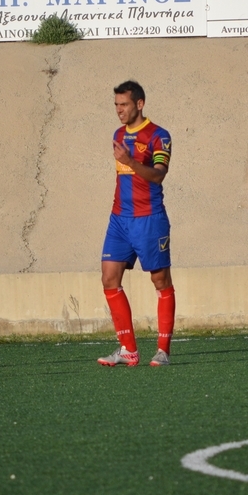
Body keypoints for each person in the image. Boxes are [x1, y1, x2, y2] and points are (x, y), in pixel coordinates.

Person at [97, 81, 176, 367]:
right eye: (116, 105)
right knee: (109, 278)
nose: (119, 110)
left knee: (160, 280)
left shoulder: (159, 136)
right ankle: (128, 349)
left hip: (149, 219)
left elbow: (158, 175)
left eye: (124, 104)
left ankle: (163, 351)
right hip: (119, 219)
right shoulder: (118, 134)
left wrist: (130, 161)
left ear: (139, 104)